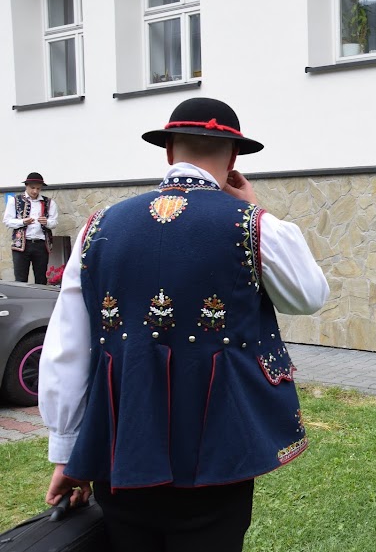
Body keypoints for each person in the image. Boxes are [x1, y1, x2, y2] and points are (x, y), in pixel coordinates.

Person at [38, 98, 330, 551]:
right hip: (217, 452)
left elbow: (67, 348)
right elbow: (309, 297)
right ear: (233, 159)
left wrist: (66, 452)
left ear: (169, 151)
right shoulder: (253, 226)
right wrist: (258, 211)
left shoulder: (96, 227)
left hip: (119, 447)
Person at [4, 172, 58, 284]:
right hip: (21, 245)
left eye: (38, 188)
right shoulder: (15, 200)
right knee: (20, 279)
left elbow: (54, 222)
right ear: (26, 186)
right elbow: (7, 221)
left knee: (41, 279)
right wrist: (23, 222)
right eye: (32, 188)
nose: (35, 191)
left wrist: (46, 222)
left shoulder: (49, 202)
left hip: (41, 245)